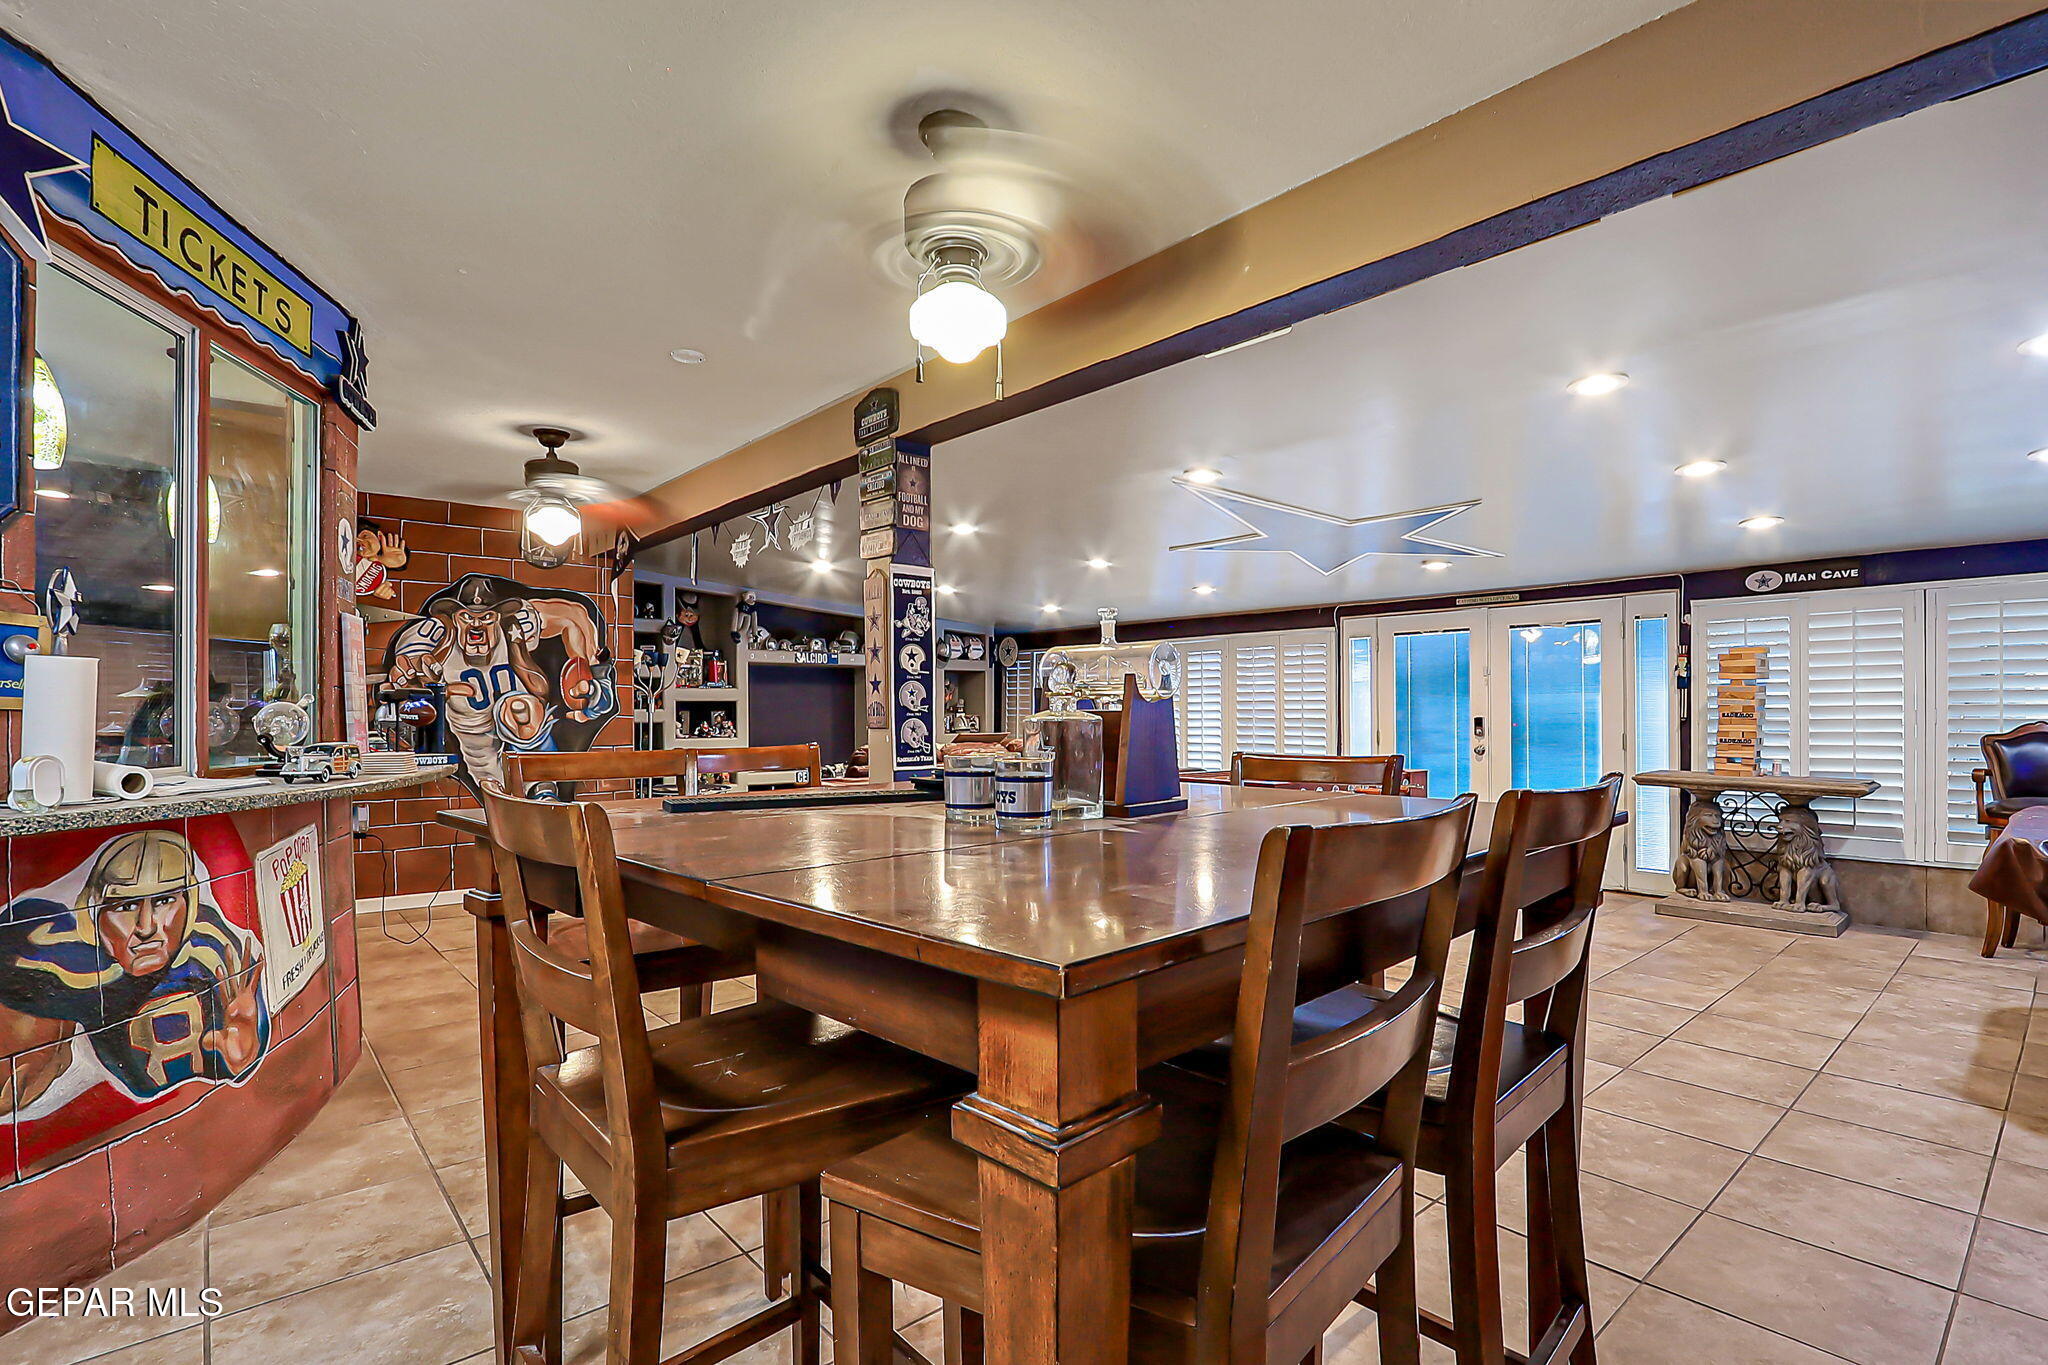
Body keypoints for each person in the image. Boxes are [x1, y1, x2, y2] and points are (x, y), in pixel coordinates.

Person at [0, 829, 267, 1115]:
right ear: (92, 911)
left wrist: (245, 1053)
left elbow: (240, 1064)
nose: (146, 926)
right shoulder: (57, 959)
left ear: (189, 904)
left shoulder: (214, 954)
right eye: (125, 905)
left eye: (164, 901)